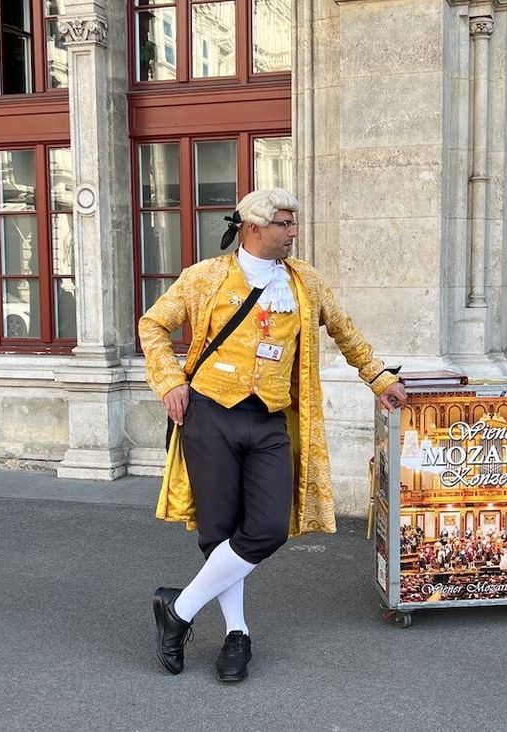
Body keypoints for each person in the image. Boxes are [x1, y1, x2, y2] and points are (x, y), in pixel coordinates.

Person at [139, 188, 408, 683]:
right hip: (210, 415)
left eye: (292, 223)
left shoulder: (305, 280)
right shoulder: (205, 277)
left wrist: (378, 377)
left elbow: (345, 330)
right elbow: (153, 325)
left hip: (269, 420)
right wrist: (170, 381)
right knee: (219, 531)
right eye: (284, 224)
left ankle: (178, 610)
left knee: (268, 527)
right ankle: (236, 634)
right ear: (252, 228)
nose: (293, 233)